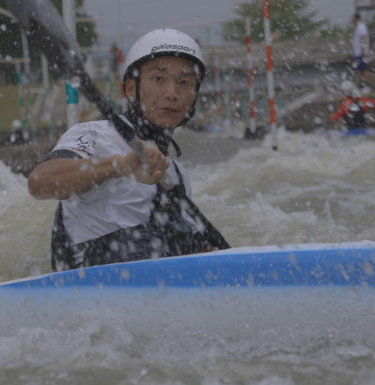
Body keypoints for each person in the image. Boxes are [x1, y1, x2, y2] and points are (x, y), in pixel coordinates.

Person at [28, 28, 230, 272]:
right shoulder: (93, 134)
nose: (172, 93)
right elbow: (39, 182)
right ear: (131, 88)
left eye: (185, 82)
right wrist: (119, 166)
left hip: (161, 293)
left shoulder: (176, 175)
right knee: (138, 245)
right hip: (92, 294)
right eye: (159, 78)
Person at [352, 13, 370, 89]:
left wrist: (362, 50)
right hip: (358, 52)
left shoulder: (361, 26)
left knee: (363, 69)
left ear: (356, 19)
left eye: (353, 19)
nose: (352, 21)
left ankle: (368, 84)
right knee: (360, 70)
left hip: (361, 52)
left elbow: (363, 37)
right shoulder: (358, 27)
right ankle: (361, 85)